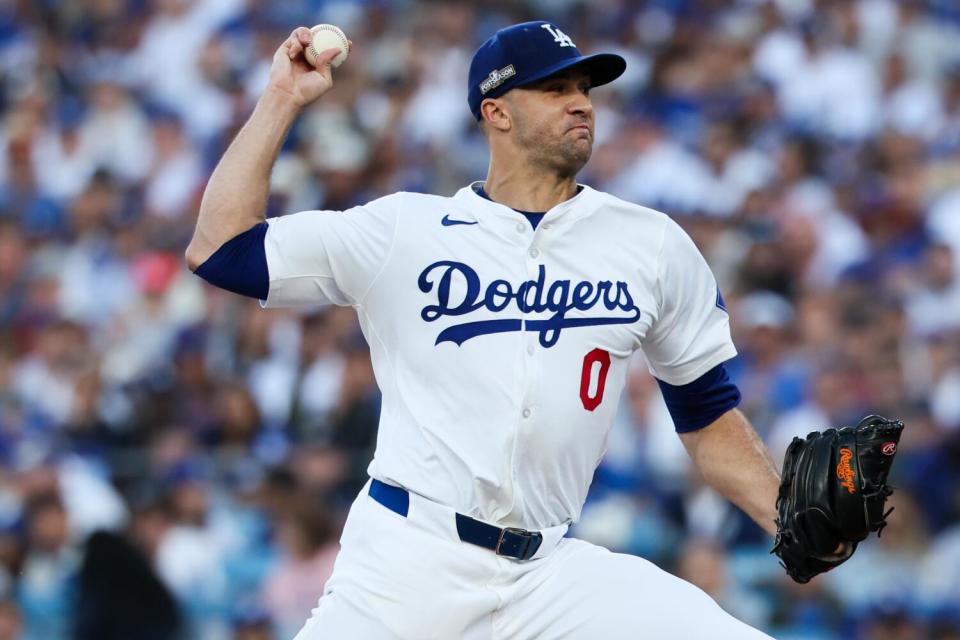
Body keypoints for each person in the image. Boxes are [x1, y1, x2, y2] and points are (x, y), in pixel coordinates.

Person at [186, 20, 777, 639]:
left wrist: (787, 519)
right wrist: (282, 98)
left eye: (584, 87)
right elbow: (221, 249)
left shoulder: (649, 243)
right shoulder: (405, 232)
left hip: (549, 575)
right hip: (408, 563)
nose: (580, 101)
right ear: (495, 111)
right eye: (554, 88)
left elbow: (706, 412)